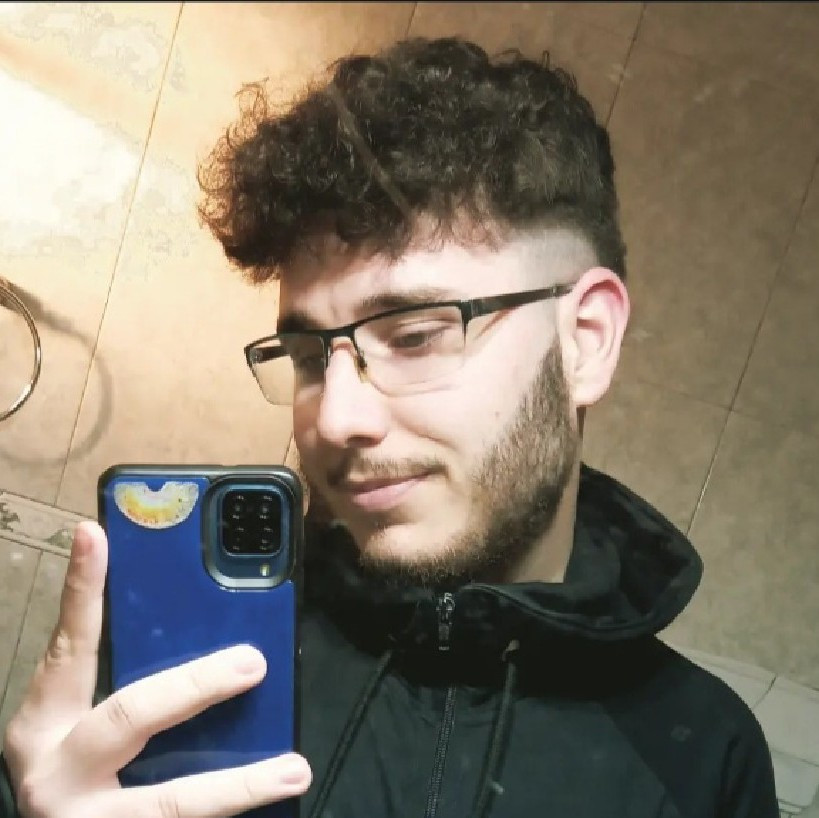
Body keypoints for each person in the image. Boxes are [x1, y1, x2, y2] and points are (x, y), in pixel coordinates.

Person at [1, 36, 778, 818]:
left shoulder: (702, 758)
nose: (334, 420)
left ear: (585, 341)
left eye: (412, 336)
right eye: (307, 355)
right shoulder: (184, 660)